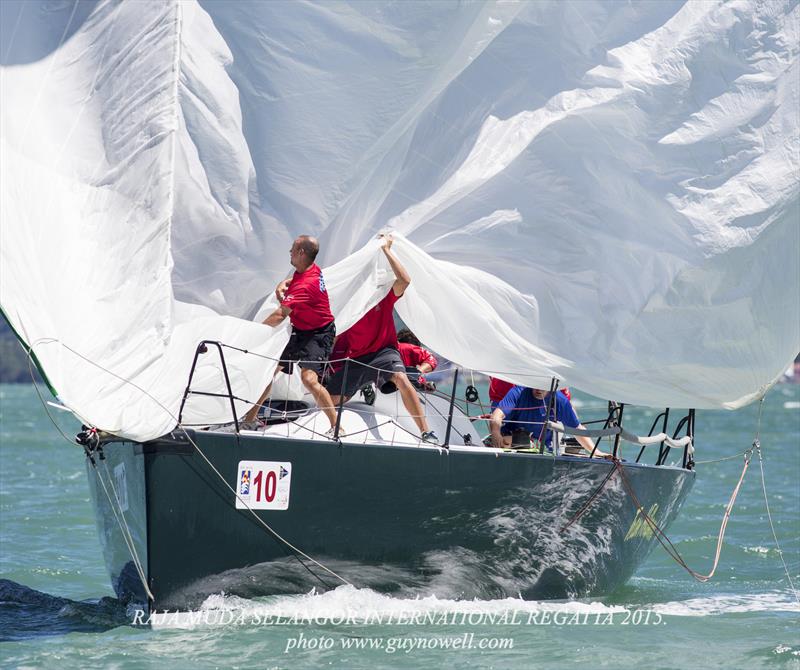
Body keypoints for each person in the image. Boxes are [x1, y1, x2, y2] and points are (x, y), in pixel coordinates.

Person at [326, 236, 439, 444]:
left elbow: (404, 280)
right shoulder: (347, 307)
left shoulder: (383, 296)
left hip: (384, 353)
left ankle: (425, 431)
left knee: (401, 378)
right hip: (357, 359)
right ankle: (334, 427)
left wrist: (387, 250)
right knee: (329, 400)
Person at [243, 235, 339, 435]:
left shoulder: (307, 284)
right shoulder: (309, 269)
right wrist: (281, 286)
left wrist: (254, 333)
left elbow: (280, 315)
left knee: (309, 379)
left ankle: (336, 427)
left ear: (302, 253)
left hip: (319, 334)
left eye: (292, 249)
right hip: (300, 330)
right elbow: (293, 284)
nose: (290, 252)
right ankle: (250, 419)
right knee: (269, 370)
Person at [489, 385, 609, 457]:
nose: (538, 389)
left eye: (543, 386)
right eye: (536, 385)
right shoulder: (519, 392)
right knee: (521, 441)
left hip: (543, 446)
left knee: (531, 444)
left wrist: (596, 452)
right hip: (511, 438)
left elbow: (576, 429)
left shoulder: (559, 400)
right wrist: (495, 433)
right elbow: (496, 415)